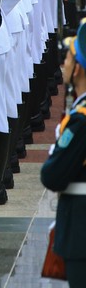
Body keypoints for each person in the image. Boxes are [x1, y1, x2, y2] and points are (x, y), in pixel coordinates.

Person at [42, 24, 86, 287]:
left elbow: (52, 175)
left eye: (69, 57)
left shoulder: (81, 122)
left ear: (78, 68)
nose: (65, 63)